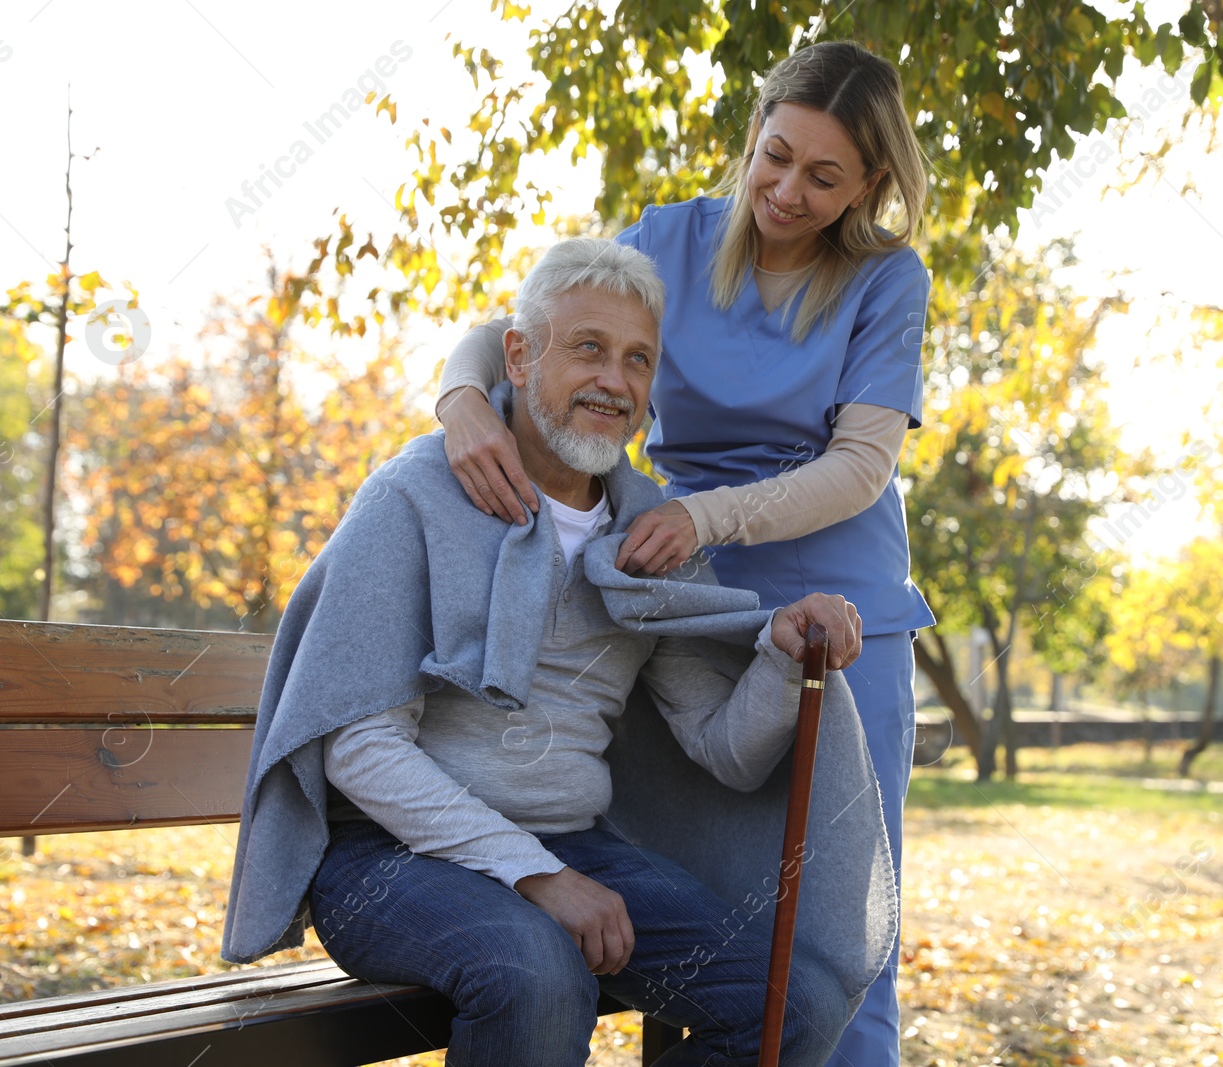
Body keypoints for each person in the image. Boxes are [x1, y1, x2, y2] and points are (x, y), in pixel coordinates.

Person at [222, 237, 901, 1067]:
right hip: (386, 857)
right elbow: (358, 747)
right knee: (540, 974)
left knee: (793, 1003)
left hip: (574, 841)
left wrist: (781, 654)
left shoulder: (649, 533)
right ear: (518, 354)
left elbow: (725, 750)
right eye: (588, 348)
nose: (613, 381)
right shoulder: (414, 495)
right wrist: (535, 876)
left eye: (637, 360)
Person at [435, 40, 931, 1064]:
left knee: (837, 922)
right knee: (696, 899)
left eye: (824, 175)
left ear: (871, 184)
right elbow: (514, 330)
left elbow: (858, 468)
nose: (788, 190)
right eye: (776, 155)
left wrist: (705, 517)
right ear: (752, 135)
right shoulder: (667, 238)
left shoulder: (886, 280)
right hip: (675, 610)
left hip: (839, 622)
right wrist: (458, 407)